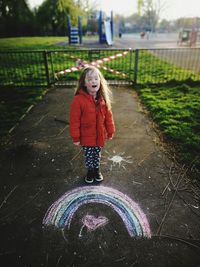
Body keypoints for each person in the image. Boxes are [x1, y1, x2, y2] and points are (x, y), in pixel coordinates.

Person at [69, 66, 115, 184]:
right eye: (90, 79)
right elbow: (74, 120)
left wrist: (110, 131)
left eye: (96, 78)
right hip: (86, 136)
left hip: (99, 135)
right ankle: (90, 171)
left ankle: (97, 170)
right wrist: (76, 137)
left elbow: (108, 117)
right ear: (84, 84)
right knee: (89, 156)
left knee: (97, 154)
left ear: (100, 81)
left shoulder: (102, 99)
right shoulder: (78, 100)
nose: (93, 81)